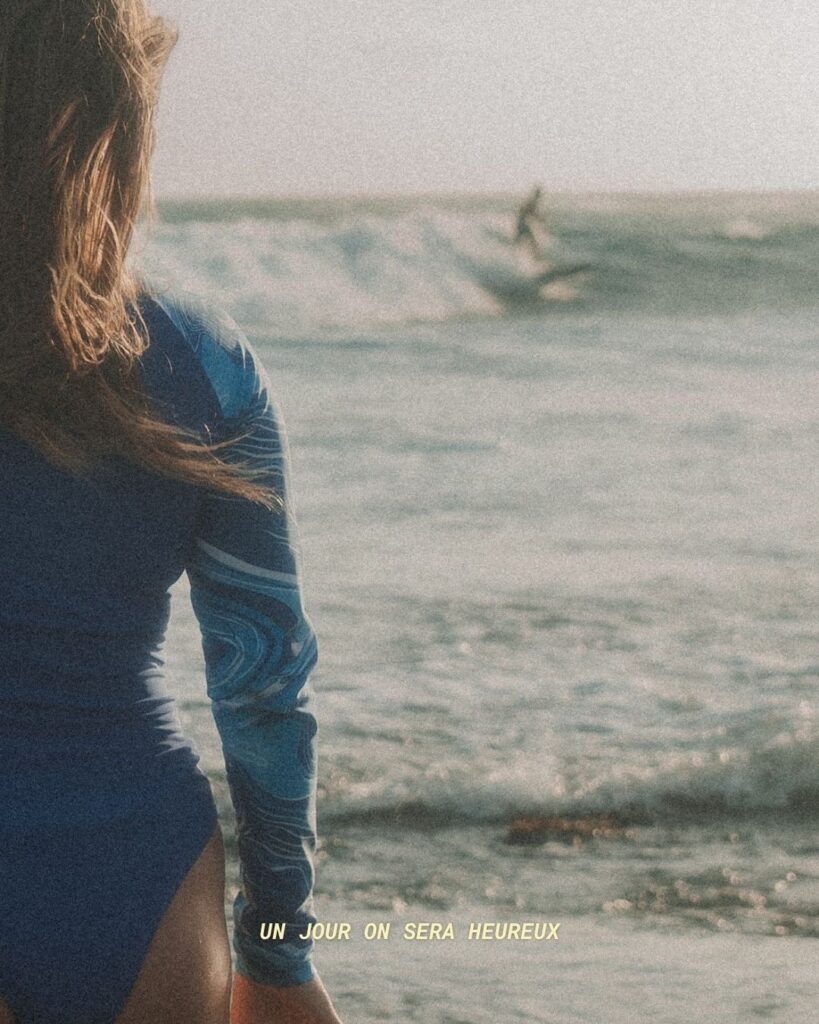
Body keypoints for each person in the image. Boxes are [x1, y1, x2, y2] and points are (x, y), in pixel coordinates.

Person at [0, 3, 342, 1023]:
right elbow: (263, 685)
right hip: (133, 882)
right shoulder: (204, 365)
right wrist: (279, 953)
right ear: (121, 124)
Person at [514, 184, 549, 261]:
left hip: (521, 224)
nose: (540, 196)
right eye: (539, 194)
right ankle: (538, 261)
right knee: (533, 243)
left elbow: (528, 213)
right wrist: (540, 218)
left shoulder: (531, 201)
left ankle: (532, 261)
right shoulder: (532, 202)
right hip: (523, 225)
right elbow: (529, 212)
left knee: (520, 242)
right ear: (537, 194)